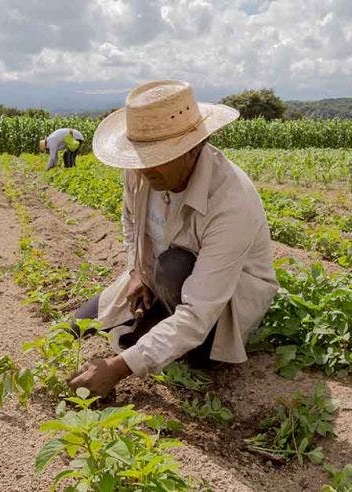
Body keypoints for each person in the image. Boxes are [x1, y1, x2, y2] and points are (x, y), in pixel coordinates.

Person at [67, 80, 279, 397]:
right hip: (158, 279)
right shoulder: (140, 172)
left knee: (173, 267)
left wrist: (116, 369)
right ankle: (154, 320)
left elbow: (197, 314)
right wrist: (137, 270)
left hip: (219, 303)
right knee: (76, 325)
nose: (144, 167)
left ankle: (183, 347)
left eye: (157, 156)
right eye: (140, 156)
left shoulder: (232, 202)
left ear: (193, 148)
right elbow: (130, 220)